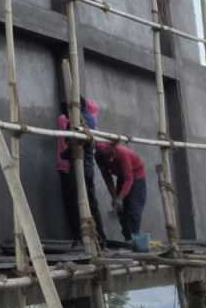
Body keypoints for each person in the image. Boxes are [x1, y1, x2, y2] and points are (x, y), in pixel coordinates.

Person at [56, 97, 107, 245]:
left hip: (80, 165)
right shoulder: (89, 119)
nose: (64, 114)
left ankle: (82, 238)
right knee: (91, 202)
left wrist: (64, 154)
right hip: (88, 165)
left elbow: (73, 144)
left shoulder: (76, 121)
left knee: (77, 203)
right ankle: (101, 238)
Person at [95, 142, 147, 241]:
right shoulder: (98, 157)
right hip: (121, 176)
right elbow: (107, 177)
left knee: (134, 208)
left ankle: (135, 238)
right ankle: (128, 238)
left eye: (111, 156)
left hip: (136, 175)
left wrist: (120, 197)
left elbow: (129, 178)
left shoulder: (122, 153)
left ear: (114, 149)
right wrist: (114, 197)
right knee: (121, 210)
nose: (110, 159)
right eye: (107, 157)